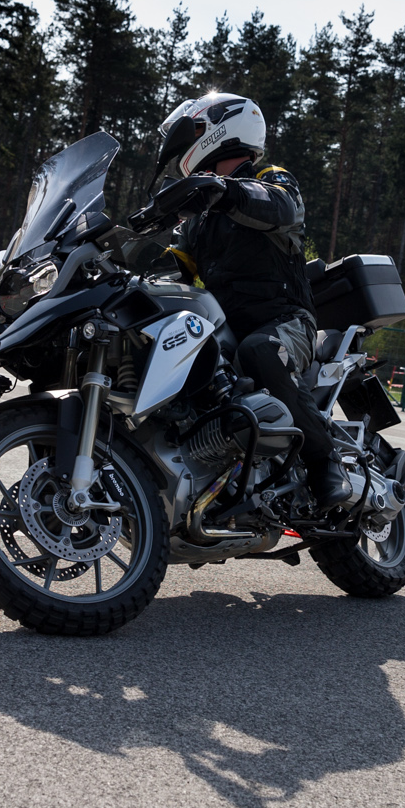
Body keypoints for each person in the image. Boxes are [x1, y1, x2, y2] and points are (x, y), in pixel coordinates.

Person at [149, 92, 356, 509]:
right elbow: (170, 269)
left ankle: (325, 462)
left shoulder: (270, 180)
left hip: (285, 321)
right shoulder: (199, 220)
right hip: (223, 327)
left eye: (197, 131)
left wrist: (222, 190)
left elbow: (280, 207)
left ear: (222, 130)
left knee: (259, 351)